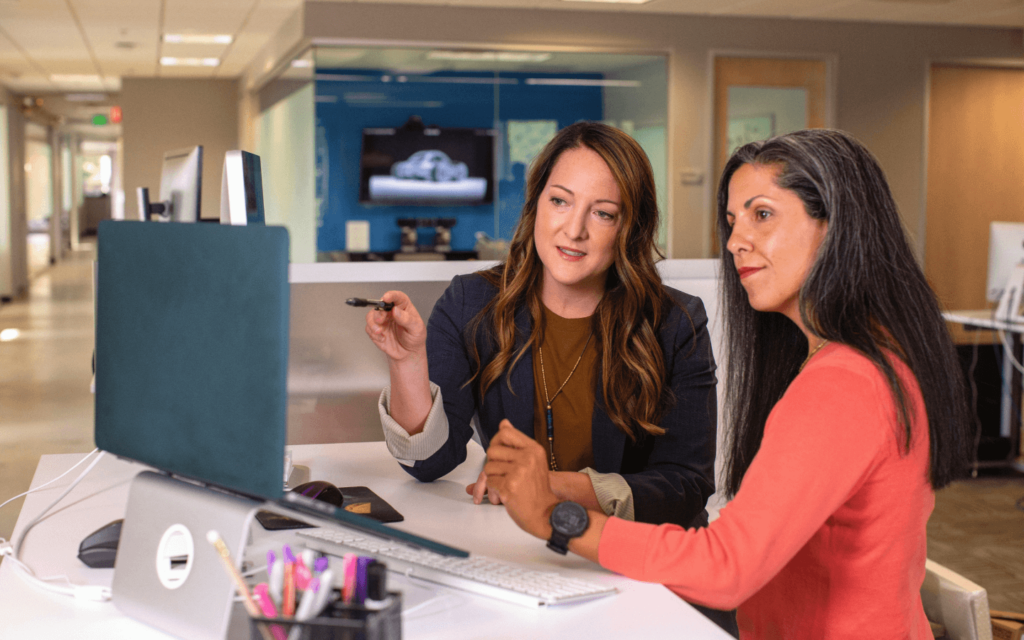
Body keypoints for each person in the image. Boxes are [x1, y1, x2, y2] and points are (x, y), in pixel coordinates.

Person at [483, 129, 973, 639]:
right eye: (734, 221)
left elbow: (726, 569)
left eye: (763, 215)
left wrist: (555, 518)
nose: (737, 241)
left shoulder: (844, 384)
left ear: (835, 226)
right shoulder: (875, 354)